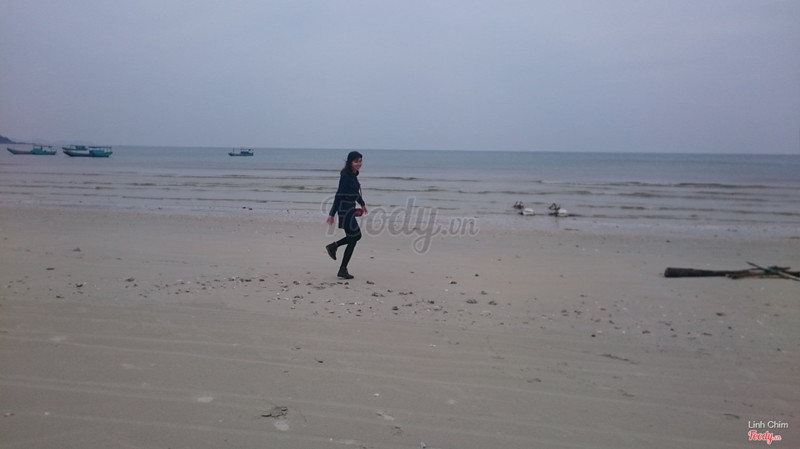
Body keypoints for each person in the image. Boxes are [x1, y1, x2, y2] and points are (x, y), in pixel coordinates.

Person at [325, 151, 367, 279]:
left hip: (350, 208)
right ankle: (335, 252)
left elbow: (355, 193)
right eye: (356, 161)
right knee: (355, 236)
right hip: (344, 209)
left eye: (360, 161)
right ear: (350, 162)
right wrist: (332, 214)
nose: (359, 164)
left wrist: (362, 204)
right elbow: (338, 194)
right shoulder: (346, 176)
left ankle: (339, 260)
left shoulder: (353, 174)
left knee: (354, 237)